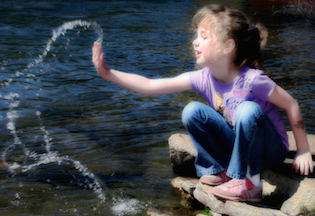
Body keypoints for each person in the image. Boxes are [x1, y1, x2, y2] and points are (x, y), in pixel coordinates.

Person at [92, 4, 313, 202]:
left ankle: (250, 185)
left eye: (204, 36)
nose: (194, 42)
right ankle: (219, 169)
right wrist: (108, 73)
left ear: (228, 46)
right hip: (239, 143)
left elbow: (291, 104)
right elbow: (151, 85)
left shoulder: (252, 79)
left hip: (270, 151)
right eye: (196, 36)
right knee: (192, 110)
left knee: (247, 110)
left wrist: (303, 149)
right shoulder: (204, 77)